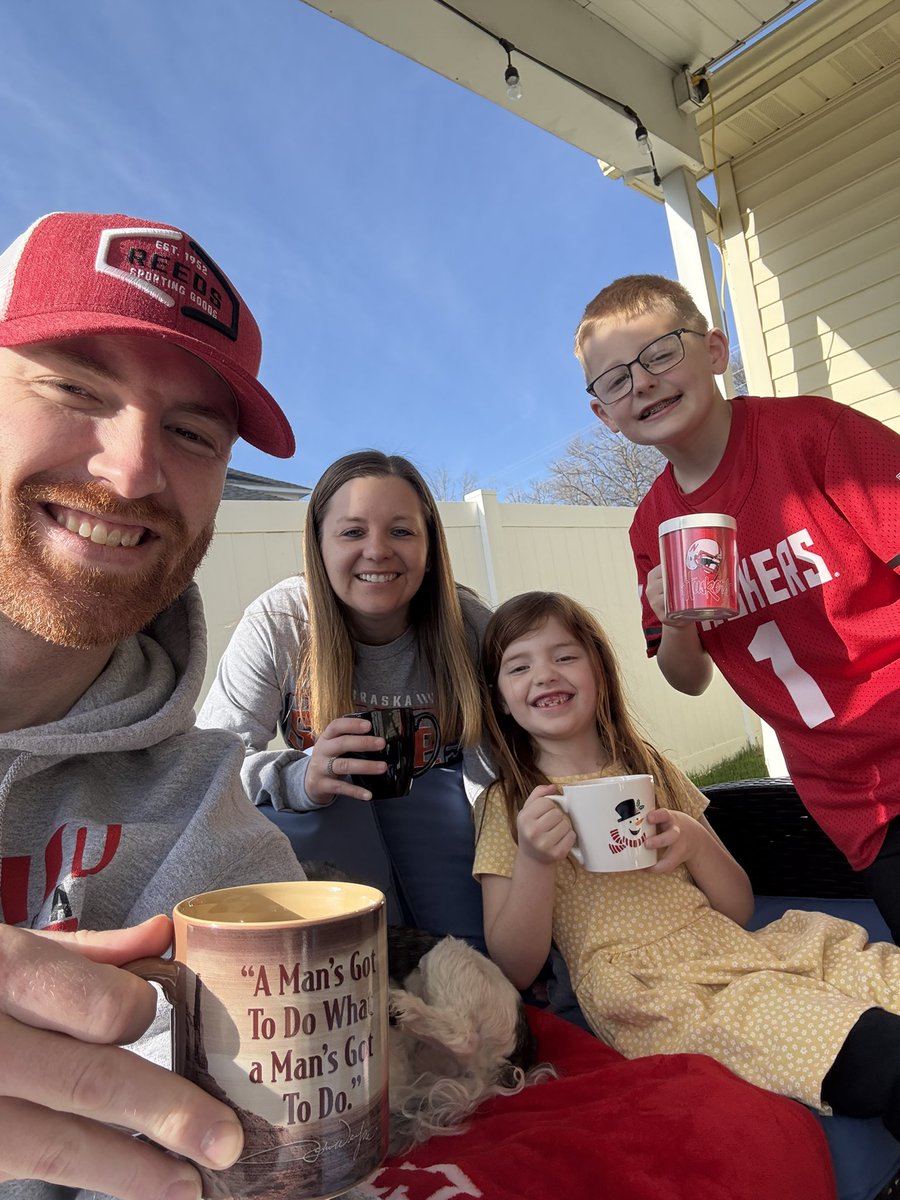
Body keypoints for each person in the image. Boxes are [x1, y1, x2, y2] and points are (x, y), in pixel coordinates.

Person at [0, 210, 306, 1200]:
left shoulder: (211, 829)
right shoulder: (285, 622)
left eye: (190, 433)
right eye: (74, 387)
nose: (133, 470)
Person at [475, 589, 900, 1141]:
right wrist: (534, 860)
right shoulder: (508, 805)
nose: (545, 674)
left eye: (564, 655)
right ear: (502, 699)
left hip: (736, 947)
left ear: (599, 671)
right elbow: (514, 967)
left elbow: (737, 908)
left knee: (875, 970)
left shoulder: (650, 769)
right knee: (870, 1049)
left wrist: (696, 841)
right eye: (519, 665)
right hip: (654, 988)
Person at [573, 274, 900, 940]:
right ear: (604, 415)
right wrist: (678, 621)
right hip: (851, 796)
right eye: (614, 379)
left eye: (660, 353)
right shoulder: (651, 528)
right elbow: (686, 677)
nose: (641, 381)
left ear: (716, 351)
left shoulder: (812, 433)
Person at [197, 449, 491, 938]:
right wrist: (301, 777)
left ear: (430, 545)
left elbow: (511, 764)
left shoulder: (471, 627)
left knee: (445, 797)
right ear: (319, 545)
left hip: (447, 841)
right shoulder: (282, 621)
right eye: (353, 532)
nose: (377, 551)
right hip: (332, 841)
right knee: (319, 806)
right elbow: (209, 766)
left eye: (401, 531)